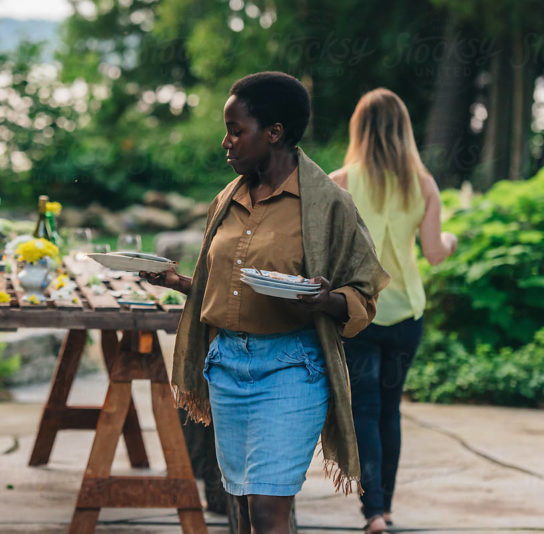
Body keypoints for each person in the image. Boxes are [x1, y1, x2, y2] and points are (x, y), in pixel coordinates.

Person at [141, 72, 389, 534]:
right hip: (226, 365)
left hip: (291, 368)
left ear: (273, 132)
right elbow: (227, 288)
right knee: (239, 502)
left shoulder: (329, 206)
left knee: (269, 510)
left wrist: (324, 299)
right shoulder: (228, 198)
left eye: (237, 130)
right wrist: (177, 281)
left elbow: (364, 293)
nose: (226, 142)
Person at [330, 88, 457, 534]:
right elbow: (436, 253)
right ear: (403, 129)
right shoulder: (423, 184)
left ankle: (374, 512)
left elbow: (321, 248)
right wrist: (453, 240)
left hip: (359, 312)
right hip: (406, 313)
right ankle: (386, 507)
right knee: (389, 409)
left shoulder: (340, 180)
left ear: (359, 129)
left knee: (363, 408)